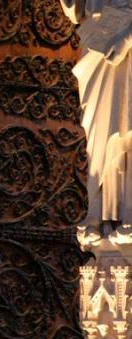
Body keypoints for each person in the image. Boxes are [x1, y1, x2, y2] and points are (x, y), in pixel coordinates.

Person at [60, 0, 132, 225]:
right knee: (98, 131)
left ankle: (128, 209)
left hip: (126, 42)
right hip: (96, 41)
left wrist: (127, 38)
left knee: (127, 128)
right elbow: (75, 11)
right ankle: (98, 209)